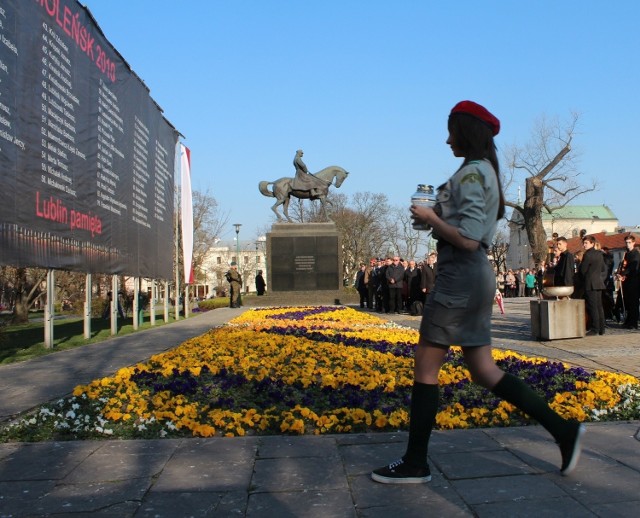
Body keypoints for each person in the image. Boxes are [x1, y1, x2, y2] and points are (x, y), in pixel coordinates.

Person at [371, 100, 584, 485]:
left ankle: (415, 463)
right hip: (473, 277)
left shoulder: (471, 175)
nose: (446, 138)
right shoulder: (482, 171)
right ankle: (563, 430)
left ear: (465, 132)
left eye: (451, 130)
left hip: (458, 278)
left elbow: (468, 239)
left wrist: (432, 217)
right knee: (483, 369)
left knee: (426, 366)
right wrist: (435, 218)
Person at [579, 235, 606, 335]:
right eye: (584, 243)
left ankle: (595, 328)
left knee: (593, 306)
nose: (584, 245)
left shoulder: (588, 255)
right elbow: (603, 268)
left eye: (586, 243)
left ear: (592, 243)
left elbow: (583, 270)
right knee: (599, 306)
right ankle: (601, 328)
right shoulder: (599, 254)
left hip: (590, 283)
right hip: (598, 282)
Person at [617, 235, 640, 329]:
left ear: (633, 243)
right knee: (628, 302)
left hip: (634, 281)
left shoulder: (635, 254)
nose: (628, 244)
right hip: (627, 281)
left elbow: (632, 268)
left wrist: (623, 274)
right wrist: (620, 273)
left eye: (629, 242)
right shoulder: (626, 253)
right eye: (626, 242)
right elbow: (624, 266)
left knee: (633, 303)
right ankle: (628, 321)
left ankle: (633, 323)